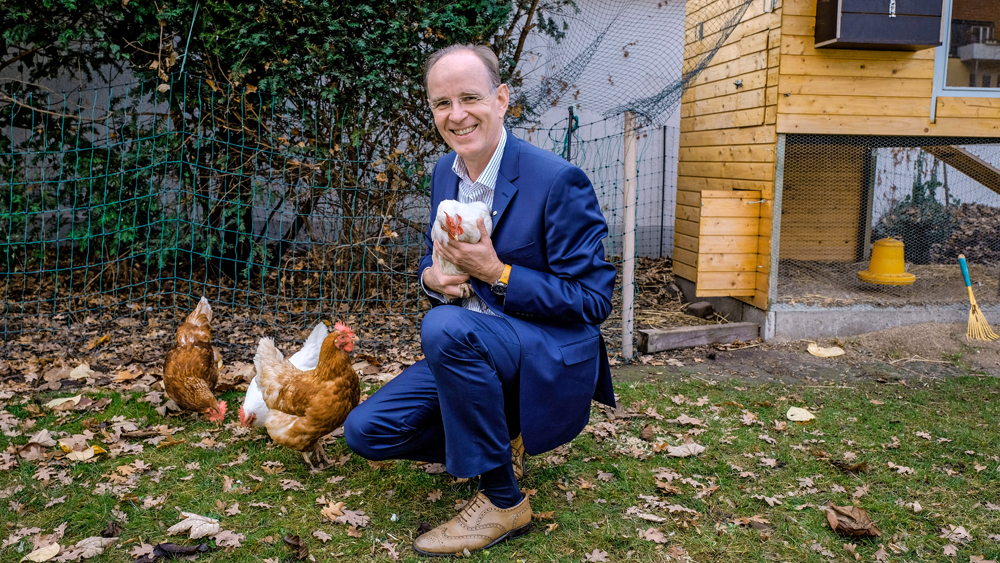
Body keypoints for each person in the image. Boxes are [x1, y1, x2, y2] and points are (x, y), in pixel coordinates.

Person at [343, 43, 617, 557]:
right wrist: (431, 280)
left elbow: (592, 300)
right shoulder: (444, 173)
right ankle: (502, 434)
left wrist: (496, 273)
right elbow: (437, 261)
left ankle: (502, 500)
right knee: (365, 432)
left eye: (470, 97)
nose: (457, 115)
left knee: (444, 329)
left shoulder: (557, 180)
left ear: (502, 99)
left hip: (542, 349)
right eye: (441, 104)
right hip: (471, 344)